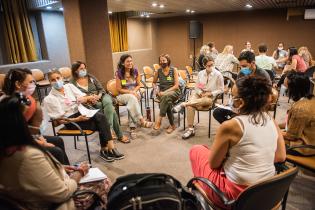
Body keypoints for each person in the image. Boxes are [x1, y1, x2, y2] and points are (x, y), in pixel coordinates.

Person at [190, 76, 286, 209]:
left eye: (233, 96)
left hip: (237, 197)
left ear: (240, 102)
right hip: (267, 192)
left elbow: (214, 164)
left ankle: (201, 194)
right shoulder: (271, 120)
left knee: (197, 150)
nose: (231, 100)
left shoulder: (231, 126)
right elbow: (280, 156)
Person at [0, 95, 89, 210]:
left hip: (35, 195)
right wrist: (79, 173)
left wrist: (59, 168)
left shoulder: (8, 145)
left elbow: (31, 175)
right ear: (26, 124)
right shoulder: (29, 156)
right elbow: (63, 193)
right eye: (40, 119)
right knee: (102, 184)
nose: (43, 120)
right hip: (49, 205)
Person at [44, 70, 124, 162]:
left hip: (81, 112)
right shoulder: (49, 98)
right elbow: (57, 122)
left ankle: (107, 149)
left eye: (58, 78)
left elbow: (83, 97)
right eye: (53, 80)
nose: (57, 81)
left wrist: (85, 99)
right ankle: (109, 149)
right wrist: (77, 119)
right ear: (50, 82)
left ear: (62, 77)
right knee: (101, 123)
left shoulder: (69, 86)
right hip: (71, 121)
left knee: (101, 117)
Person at [2, 68, 70, 165]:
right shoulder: (11, 105)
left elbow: (29, 128)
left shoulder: (25, 98)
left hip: (28, 135)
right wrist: (40, 143)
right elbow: (15, 134)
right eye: (30, 82)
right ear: (17, 84)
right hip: (15, 143)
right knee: (56, 151)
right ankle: (61, 175)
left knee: (57, 140)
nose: (34, 84)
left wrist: (40, 138)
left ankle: (67, 171)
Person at [70, 61, 130, 143]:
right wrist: (88, 99)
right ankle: (120, 135)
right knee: (111, 110)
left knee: (108, 102)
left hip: (102, 96)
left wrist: (98, 96)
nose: (84, 70)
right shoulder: (72, 82)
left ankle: (109, 130)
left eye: (84, 68)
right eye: (81, 69)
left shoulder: (90, 77)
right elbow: (75, 97)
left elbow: (101, 89)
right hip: (88, 103)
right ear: (75, 70)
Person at [213, 51, 271, 124]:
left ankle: (238, 126)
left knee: (236, 120)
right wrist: (232, 102)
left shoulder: (263, 75)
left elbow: (268, 95)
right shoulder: (242, 73)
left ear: (253, 63)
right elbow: (237, 90)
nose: (242, 68)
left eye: (244, 66)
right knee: (217, 112)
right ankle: (236, 129)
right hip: (240, 105)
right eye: (240, 66)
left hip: (255, 108)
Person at [173, 56, 224, 139]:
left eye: (212, 64)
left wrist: (210, 93)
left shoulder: (218, 75)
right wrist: (200, 93)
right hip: (199, 94)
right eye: (208, 65)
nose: (211, 67)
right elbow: (197, 87)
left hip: (209, 96)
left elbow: (221, 89)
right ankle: (190, 129)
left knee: (204, 101)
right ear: (204, 66)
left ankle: (183, 104)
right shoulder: (201, 74)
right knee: (190, 106)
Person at [115, 54, 153, 138]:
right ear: (122, 63)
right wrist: (130, 92)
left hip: (133, 93)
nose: (130, 63)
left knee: (131, 102)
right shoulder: (119, 73)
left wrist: (134, 91)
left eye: (131, 61)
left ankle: (132, 128)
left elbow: (139, 85)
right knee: (132, 98)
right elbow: (119, 89)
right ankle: (142, 121)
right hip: (122, 95)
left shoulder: (135, 71)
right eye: (127, 61)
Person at [282, 72, 315, 156]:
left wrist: (273, 130)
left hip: (304, 147)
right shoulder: (310, 100)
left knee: (267, 141)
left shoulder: (300, 108)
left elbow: (292, 136)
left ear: (294, 89)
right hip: (309, 141)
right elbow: (290, 124)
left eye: (286, 88)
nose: (285, 90)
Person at [152, 54, 180, 134]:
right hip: (161, 93)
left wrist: (165, 92)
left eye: (164, 60)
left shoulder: (174, 70)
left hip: (174, 92)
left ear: (168, 61)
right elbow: (153, 82)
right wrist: (155, 88)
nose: (162, 62)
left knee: (166, 97)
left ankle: (159, 120)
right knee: (167, 101)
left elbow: (176, 86)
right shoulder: (158, 71)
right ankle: (172, 125)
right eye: (160, 61)